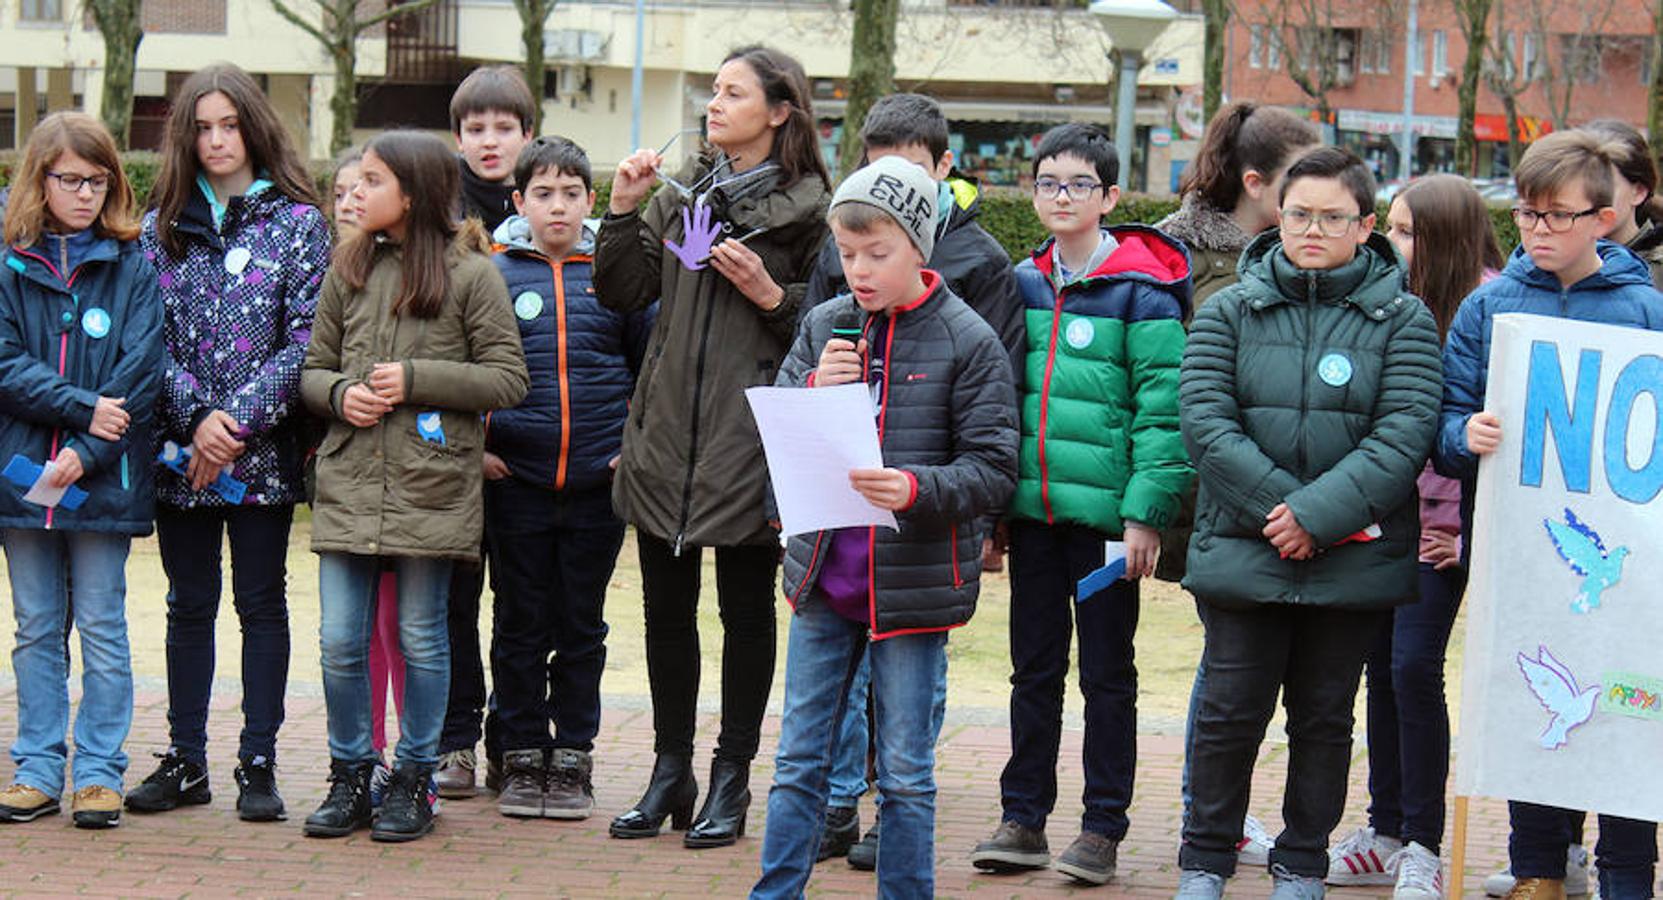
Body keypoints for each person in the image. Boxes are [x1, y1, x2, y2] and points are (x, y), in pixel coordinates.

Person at [1173, 146, 1443, 900]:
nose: (1311, 229)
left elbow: (1403, 433)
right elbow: (1203, 423)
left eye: (1331, 217)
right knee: (1228, 715)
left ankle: (1301, 861)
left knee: (1324, 720)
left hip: (1348, 558)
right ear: (1278, 217)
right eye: (1298, 215)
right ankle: (1204, 860)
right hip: (1244, 548)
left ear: (1363, 225)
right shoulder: (1228, 307)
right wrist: (1281, 514)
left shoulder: (1403, 320)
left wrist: (1317, 518)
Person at [749, 154, 1019, 899]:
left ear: (919, 248)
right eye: (845, 252)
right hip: (822, 579)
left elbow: (994, 469)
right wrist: (812, 389)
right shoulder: (823, 324)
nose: (858, 269)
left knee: (904, 771)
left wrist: (911, 487)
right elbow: (777, 436)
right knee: (799, 759)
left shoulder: (968, 340)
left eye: (878, 252)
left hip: (912, 589)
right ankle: (775, 891)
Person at [595, 45, 832, 850]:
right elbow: (624, 292)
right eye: (713, 91)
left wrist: (771, 294)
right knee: (665, 611)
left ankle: (732, 774)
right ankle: (671, 769)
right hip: (664, 432)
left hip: (750, 437)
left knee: (743, 612)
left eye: (734, 93)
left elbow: (831, 326)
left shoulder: (810, 209)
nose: (714, 104)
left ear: (778, 111)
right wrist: (624, 210)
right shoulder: (687, 192)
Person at [1436, 130, 1663, 900]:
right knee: (1530, 703)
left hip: (1621, 564)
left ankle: (1626, 874)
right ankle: (1537, 868)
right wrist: (1462, 435)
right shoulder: (1489, 305)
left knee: (1628, 708)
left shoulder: (1644, 311)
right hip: (1520, 555)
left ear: (1602, 218)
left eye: (1556, 216)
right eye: (1526, 215)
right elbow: (1442, 419)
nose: (1536, 230)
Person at [968, 122, 1193, 887]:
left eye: (1078, 184)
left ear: (1110, 197)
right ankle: (1021, 818)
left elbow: (1163, 414)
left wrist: (1144, 516)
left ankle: (1101, 829)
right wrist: (994, 514)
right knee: (1031, 672)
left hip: (1105, 528)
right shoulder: (1020, 283)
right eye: (1047, 183)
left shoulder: (1145, 292)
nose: (1061, 197)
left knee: (1107, 675)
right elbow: (997, 399)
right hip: (1033, 520)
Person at [299, 130, 529, 843]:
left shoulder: (472, 272)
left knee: (423, 638)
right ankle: (350, 775)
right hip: (349, 481)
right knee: (339, 641)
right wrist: (340, 395)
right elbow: (312, 368)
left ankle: (414, 777)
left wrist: (416, 381)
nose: (354, 193)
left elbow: (508, 378)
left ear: (413, 191)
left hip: (430, 488)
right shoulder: (348, 265)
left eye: (371, 180)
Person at [123, 63, 328, 823]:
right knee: (188, 605)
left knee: (260, 603)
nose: (216, 140)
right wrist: (195, 419)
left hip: (261, 458)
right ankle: (185, 760)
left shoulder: (300, 222)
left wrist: (234, 423)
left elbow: (306, 342)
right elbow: (146, 345)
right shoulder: (158, 229)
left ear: (253, 127)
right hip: (180, 456)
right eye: (201, 127)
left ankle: (259, 761)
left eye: (228, 124)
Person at [1324, 174, 1503, 899]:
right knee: (1377, 669)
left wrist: (1456, 527)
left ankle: (1423, 844)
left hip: (1444, 528)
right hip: (1382, 519)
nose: (1390, 244)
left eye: (1404, 232)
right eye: (1388, 229)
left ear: (1445, 238)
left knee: (1410, 668)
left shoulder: (1487, 306)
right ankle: (1386, 827)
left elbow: (1475, 432)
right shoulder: (1387, 303)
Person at [1156, 101, 1321, 870]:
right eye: (1295, 181)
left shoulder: (1297, 254)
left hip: (1291, 495)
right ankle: (1206, 815)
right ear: (1256, 183)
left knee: (1238, 665)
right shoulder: (1180, 259)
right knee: (1224, 664)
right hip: (1215, 487)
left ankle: (1214, 813)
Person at [0, 111, 164, 828]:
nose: (87, 194)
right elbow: (4, 363)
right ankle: (37, 766)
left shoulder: (132, 265)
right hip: (23, 476)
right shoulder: (7, 261)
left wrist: (85, 450)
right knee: (36, 624)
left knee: (101, 622)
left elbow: (142, 372)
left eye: (99, 181)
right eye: (71, 180)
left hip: (100, 476)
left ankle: (98, 771)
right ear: (39, 179)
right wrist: (77, 409)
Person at [485, 135, 654, 820]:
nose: (558, 206)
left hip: (596, 482)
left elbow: (650, 370)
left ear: (591, 199)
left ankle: (574, 754)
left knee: (580, 624)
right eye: (543, 194)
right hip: (514, 479)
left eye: (572, 193)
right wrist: (478, 446)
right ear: (518, 201)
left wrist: (632, 447)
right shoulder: (492, 273)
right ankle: (521, 753)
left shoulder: (614, 271)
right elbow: (464, 363)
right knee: (519, 621)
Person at [434, 63, 540, 797]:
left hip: (535, 445)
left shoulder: (551, 204)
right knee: (452, 603)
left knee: (525, 605)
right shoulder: (435, 214)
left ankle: (516, 738)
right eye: (476, 129)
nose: (490, 141)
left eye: (505, 128)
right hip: (461, 448)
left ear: (528, 134)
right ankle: (454, 740)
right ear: (457, 137)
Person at [1579, 120, 1663, 289]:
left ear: (1639, 192)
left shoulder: (1656, 275)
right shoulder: (1554, 262)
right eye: (1579, 186)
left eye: (1604, 186)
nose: (1589, 198)